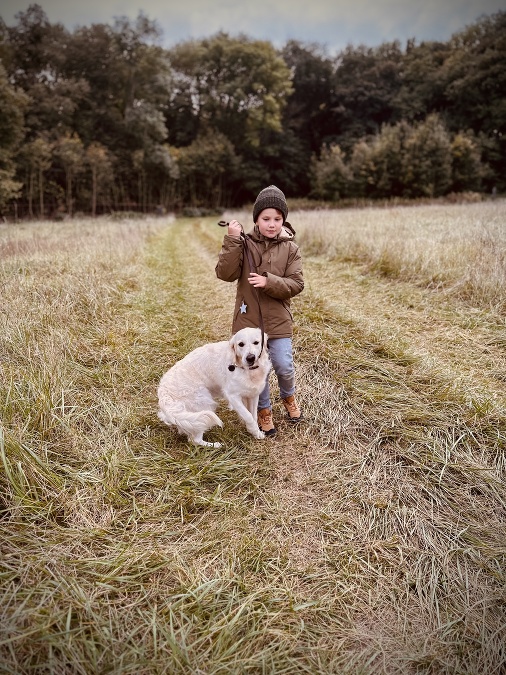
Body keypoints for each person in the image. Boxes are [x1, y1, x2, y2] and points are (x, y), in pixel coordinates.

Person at [215, 185, 304, 436]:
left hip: (277, 321)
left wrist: (269, 281)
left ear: (284, 220)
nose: (272, 224)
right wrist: (232, 239)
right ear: (256, 219)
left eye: (277, 218)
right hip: (249, 320)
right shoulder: (244, 244)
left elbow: (297, 284)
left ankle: (288, 396)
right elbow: (225, 273)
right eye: (266, 218)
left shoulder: (291, 249)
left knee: (284, 365)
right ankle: (263, 410)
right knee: (254, 367)